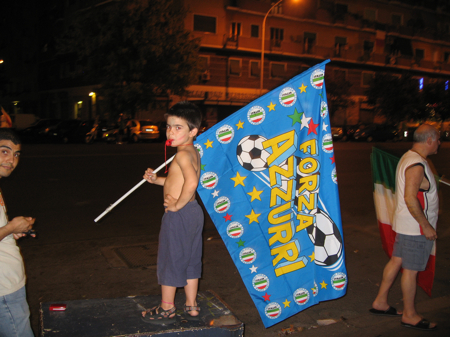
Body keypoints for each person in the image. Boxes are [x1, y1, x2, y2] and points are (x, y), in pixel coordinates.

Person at [370, 124, 440, 331]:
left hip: (406, 224)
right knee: (410, 272)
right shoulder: (416, 164)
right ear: (429, 140)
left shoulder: (410, 157)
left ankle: (380, 302)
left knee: (397, 261)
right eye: (437, 139)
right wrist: (426, 226)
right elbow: (411, 198)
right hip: (415, 228)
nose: (439, 143)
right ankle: (410, 315)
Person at [142, 102, 203, 323]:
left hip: (180, 215)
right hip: (193, 213)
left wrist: (176, 205)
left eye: (178, 127)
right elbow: (177, 181)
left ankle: (167, 307)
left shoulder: (182, 155)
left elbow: (192, 182)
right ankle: (191, 304)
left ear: (193, 131)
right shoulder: (190, 152)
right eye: (168, 126)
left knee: (170, 259)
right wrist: (156, 180)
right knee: (189, 260)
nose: (171, 132)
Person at [0, 128, 36, 337]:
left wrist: (11, 232)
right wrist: (11, 228)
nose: (12, 160)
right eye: (4, 151)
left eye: (16, 154)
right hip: (4, 290)